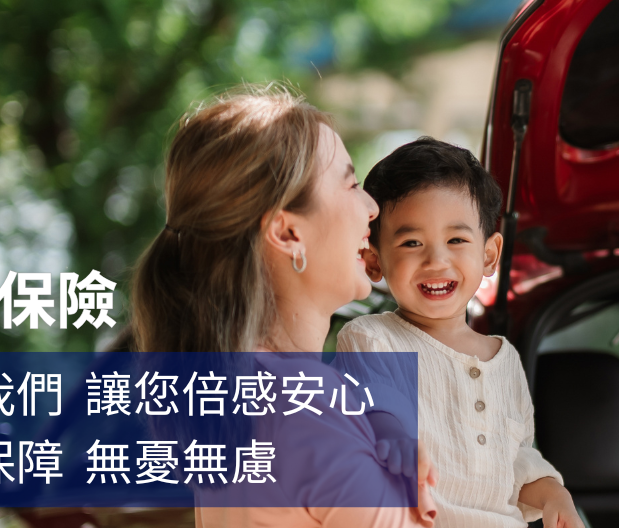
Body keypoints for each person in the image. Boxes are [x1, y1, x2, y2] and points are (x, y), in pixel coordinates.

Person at [130, 84, 437, 528]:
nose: (371, 206)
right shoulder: (304, 405)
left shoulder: (240, 396)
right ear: (288, 233)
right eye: (351, 184)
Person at [332, 137, 583, 528]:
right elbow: (377, 413)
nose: (436, 260)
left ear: (489, 255)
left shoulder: (505, 360)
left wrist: (554, 494)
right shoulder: (372, 338)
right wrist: (393, 440)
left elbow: (515, 462)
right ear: (374, 261)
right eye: (411, 242)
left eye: (456, 240)